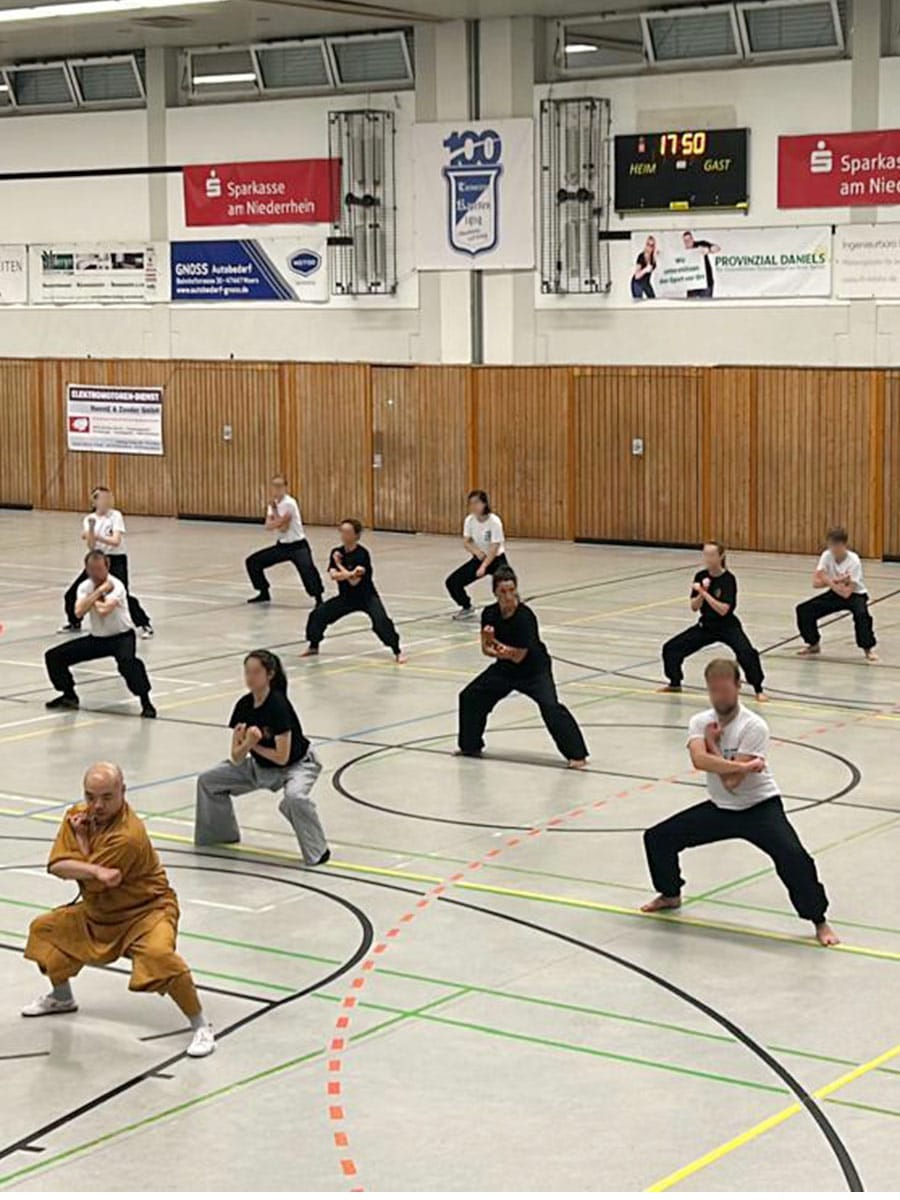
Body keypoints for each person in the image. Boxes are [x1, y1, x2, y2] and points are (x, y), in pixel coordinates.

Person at [21, 762, 214, 1057]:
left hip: (147, 912)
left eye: (107, 797)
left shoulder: (128, 835)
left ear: (123, 792)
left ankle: (201, 1026)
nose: (97, 805)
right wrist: (94, 869)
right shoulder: (77, 815)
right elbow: (58, 866)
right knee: (45, 929)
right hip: (99, 912)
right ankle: (62, 998)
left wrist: (84, 849)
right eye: (90, 796)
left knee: (159, 957)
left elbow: (94, 877)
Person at [641, 658, 838, 947]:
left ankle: (819, 920)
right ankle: (670, 893)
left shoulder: (754, 725)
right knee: (657, 838)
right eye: (714, 692)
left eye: (725, 691)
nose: (720, 698)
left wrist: (715, 749)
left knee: (795, 859)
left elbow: (731, 783)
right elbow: (699, 761)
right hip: (721, 809)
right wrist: (738, 763)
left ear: (738, 686)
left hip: (760, 808)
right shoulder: (700, 721)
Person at [195, 650, 330, 866]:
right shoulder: (243, 706)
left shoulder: (278, 706)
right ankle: (218, 836)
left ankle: (318, 851)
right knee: (209, 780)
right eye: (247, 672)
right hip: (260, 767)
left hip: (297, 766)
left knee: (294, 798)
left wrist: (253, 744)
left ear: (270, 675)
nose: (250, 678)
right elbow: (236, 758)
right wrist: (247, 744)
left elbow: (282, 757)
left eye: (256, 672)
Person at [458, 566, 588, 767]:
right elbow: (486, 649)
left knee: (551, 706)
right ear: (495, 593)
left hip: (534, 671)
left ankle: (577, 754)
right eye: (503, 592)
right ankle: (470, 745)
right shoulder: (489, 614)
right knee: (470, 696)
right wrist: (490, 643)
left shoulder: (525, 617)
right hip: (505, 669)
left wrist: (495, 645)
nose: (509, 596)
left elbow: (518, 656)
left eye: (512, 590)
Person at [44, 550, 156, 718]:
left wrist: (90, 600)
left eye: (99, 569)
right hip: (98, 639)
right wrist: (99, 592)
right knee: (54, 656)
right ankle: (69, 695)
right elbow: (78, 612)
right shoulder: (85, 586)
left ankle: (146, 703)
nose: (96, 574)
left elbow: (104, 610)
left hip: (122, 637)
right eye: (91, 570)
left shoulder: (116, 585)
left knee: (129, 663)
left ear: (107, 566)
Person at [659, 542, 767, 701]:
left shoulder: (728, 579)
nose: (707, 559)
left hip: (728, 626)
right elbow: (694, 607)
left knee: (746, 653)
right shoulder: (700, 576)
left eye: (711, 555)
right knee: (671, 648)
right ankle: (675, 682)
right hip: (706, 626)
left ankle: (758, 688)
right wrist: (701, 595)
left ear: (721, 556)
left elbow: (723, 610)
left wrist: (704, 591)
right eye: (705, 555)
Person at [301, 519, 406, 662]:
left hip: (367, 597)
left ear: (356, 535)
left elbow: (354, 581)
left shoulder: (362, 554)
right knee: (318, 614)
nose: (343, 535)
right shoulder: (336, 551)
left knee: (381, 622)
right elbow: (334, 576)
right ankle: (314, 645)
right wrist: (347, 573)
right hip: (346, 598)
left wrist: (339, 565)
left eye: (347, 532)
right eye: (342, 532)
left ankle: (397, 650)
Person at [59, 487, 153, 637]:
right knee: (71, 594)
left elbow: (115, 541)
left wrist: (96, 535)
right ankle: (74, 622)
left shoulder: (115, 516)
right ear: (95, 501)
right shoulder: (89, 519)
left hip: (115, 559)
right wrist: (90, 529)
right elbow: (90, 546)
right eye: (103, 498)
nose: (107, 501)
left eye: (109, 498)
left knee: (123, 593)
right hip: (97, 560)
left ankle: (144, 623)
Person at [796, 527, 878, 662]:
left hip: (855, 594)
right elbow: (815, 583)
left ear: (844, 545)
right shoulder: (826, 556)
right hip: (835, 592)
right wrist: (836, 581)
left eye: (836, 545)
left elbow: (847, 593)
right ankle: (813, 643)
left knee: (862, 615)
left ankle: (868, 648)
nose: (833, 549)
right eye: (830, 545)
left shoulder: (854, 561)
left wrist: (828, 580)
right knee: (804, 610)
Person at [245, 474, 324, 606]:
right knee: (253, 562)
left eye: (280, 486)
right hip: (282, 546)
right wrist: (277, 518)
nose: (277, 489)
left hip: (298, 546)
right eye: (274, 486)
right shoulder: (273, 504)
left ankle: (318, 598)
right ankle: (263, 591)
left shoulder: (289, 503)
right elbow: (268, 526)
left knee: (308, 570)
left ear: (285, 487)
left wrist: (275, 514)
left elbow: (283, 528)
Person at [445, 490, 510, 619]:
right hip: (479, 558)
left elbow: (494, 547)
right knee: (453, 582)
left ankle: (509, 609)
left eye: (477, 503)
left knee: (506, 584)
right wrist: (476, 552)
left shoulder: (494, 521)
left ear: (485, 504)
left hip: (496, 559)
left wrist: (484, 566)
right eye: (471, 503)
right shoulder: (469, 520)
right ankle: (466, 607)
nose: (474, 506)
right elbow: (467, 542)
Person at [683, 230, 719, 298]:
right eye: (685, 241)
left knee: (705, 305)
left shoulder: (701, 245)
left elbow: (717, 248)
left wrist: (709, 250)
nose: (687, 242)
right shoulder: (683, 251)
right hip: (692, 284)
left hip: (706, 282)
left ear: (692, 239)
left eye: (689, 239)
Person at [630, 235, 657, 299]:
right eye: (648, 244)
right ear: (645, 245)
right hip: (637, 283)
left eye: (651, 245)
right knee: (639, 302)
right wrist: (645, 270)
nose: (649, 247)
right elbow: (637, 276)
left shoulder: (653, 258)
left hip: (646, 282)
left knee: (653, 299)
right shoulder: (641, 257)